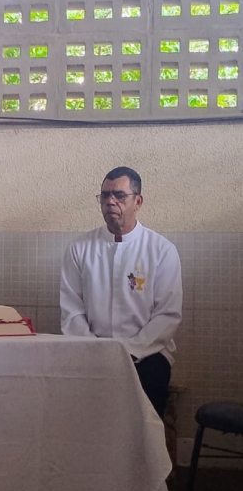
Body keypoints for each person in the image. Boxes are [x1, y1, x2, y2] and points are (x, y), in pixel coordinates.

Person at [60, 166, 182, 418]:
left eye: (119, 195)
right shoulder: (79, 248)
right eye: (105, 195)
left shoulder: (161, 250)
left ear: (138, 201)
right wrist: (97, 350)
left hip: (146, 354)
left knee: (146, 411)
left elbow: (166, 316)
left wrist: (129, 352)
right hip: (91, 350)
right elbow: (72, 311)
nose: (110, 201)